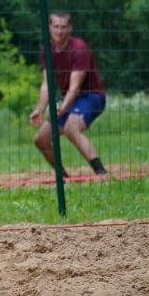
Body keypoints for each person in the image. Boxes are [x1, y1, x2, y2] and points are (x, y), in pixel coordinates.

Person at [30, 11, 108, 176]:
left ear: (70, 28)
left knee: (71, 128)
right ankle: (63, 178)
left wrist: (61, 110)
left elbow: (75, 87)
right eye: (56, 27)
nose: (59, 31)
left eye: (63, 27)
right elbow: (47, 83)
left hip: (91, 96)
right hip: (71, 101)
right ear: (49, 27)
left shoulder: (79, 48)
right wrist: (40, 109)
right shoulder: (47, 50)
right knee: (41, 140)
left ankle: (101, 173)